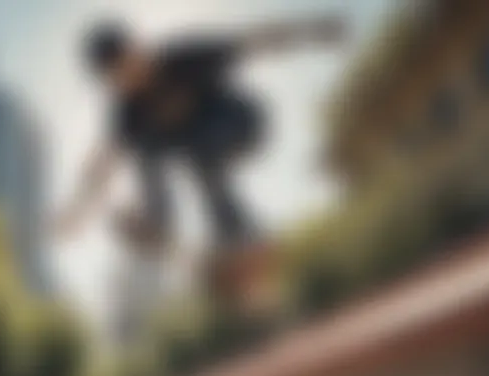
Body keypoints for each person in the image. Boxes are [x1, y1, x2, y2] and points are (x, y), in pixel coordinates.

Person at [54, 14, 348, 303]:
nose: (128, 80)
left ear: (137, 49)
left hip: (240, 123)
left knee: (198, 157)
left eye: (127, 66)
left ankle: (240, 240)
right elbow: (105, 161)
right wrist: (77, 212)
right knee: (144, 151)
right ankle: (160, 221)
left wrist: (313, 31)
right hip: (198, 152)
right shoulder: (128, 112)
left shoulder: (183, 58)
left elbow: (253, 41)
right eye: (117, 79)